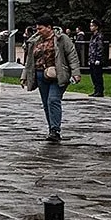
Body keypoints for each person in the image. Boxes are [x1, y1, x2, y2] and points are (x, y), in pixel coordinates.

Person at [23, 14, 80, 142]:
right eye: (37, 29)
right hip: (40, 74)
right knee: (46, 103)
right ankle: (51, 129)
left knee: (53, 100)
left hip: (58, 74)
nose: (38, 31)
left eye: (40, 28)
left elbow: (72, 55)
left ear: (49, 27)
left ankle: (55, 129)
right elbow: (29, 60)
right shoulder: (35, 40)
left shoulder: (62, 39)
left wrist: (76, 73)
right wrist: (25, 76)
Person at [87, 20, 108, 97]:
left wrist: (98, 58)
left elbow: (100, 47)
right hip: (92, 58)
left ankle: (100, 90)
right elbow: (91, 48)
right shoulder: (93, 36)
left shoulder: (99, 36)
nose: (91, 27)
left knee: (98, 75)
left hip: (96, 59)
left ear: (96, 27)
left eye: (92, 26)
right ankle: (96, 90)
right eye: (90, 26)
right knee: (93, 75)